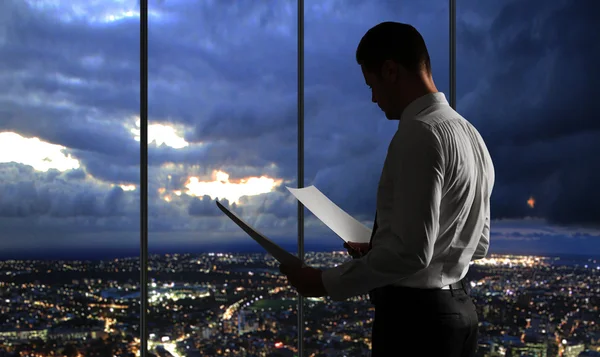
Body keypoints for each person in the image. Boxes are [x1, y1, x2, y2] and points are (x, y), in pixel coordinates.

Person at [279, 21, 495, 356]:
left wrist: (322, 282)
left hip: (415, 323)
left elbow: (411, 253)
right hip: (460, 315)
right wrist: (383, 245)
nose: (373, 98)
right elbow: (477, 244)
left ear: (391, 71)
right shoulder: (471, 135)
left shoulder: (420, 133)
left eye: (372, 84)